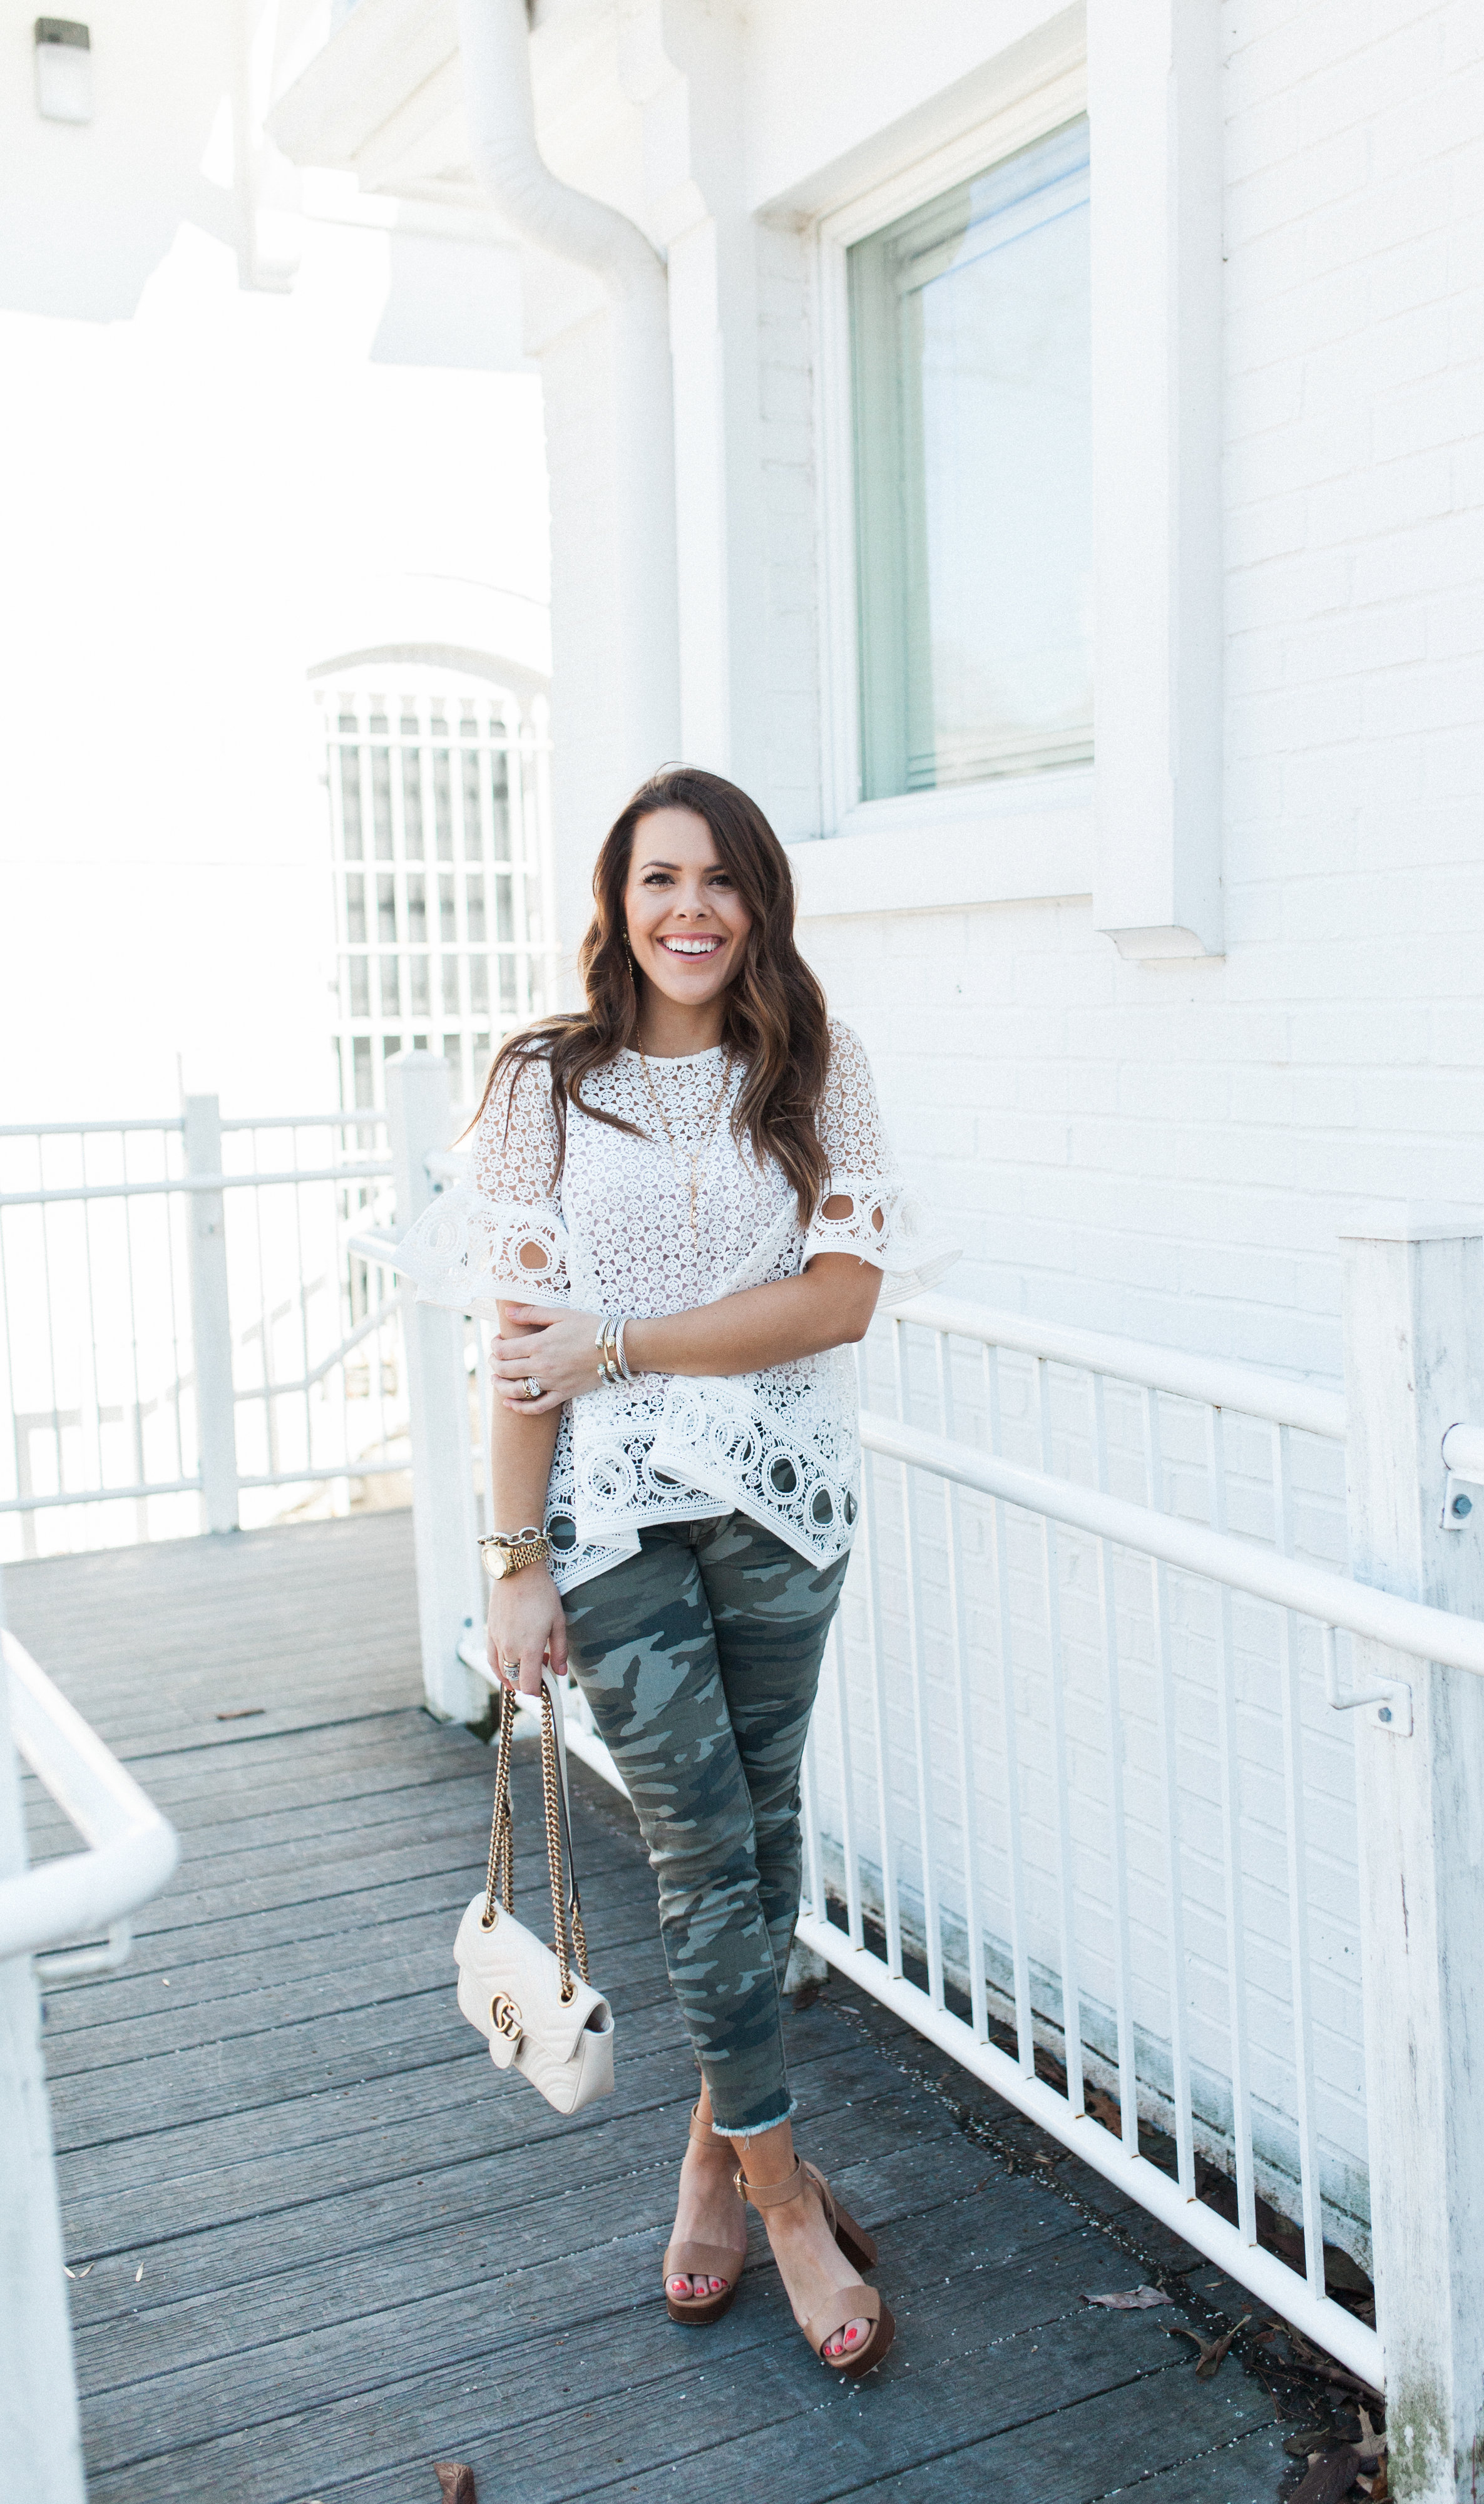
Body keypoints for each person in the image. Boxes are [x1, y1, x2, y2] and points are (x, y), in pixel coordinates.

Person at [391, 764, 956, 2379]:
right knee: (702, 1850)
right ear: (615, 903)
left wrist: (622, 1344)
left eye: (718, 880)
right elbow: (519, 1352)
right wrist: (512, 1567)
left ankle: (715, 2161)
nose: (689, 909)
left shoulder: (815, 1070)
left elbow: (838, 1301)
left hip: (782, 1508)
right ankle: (787, 2206)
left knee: (763, 1844)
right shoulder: (542, 1086)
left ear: (758, 900)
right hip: (615, 1521)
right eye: (658, 879)